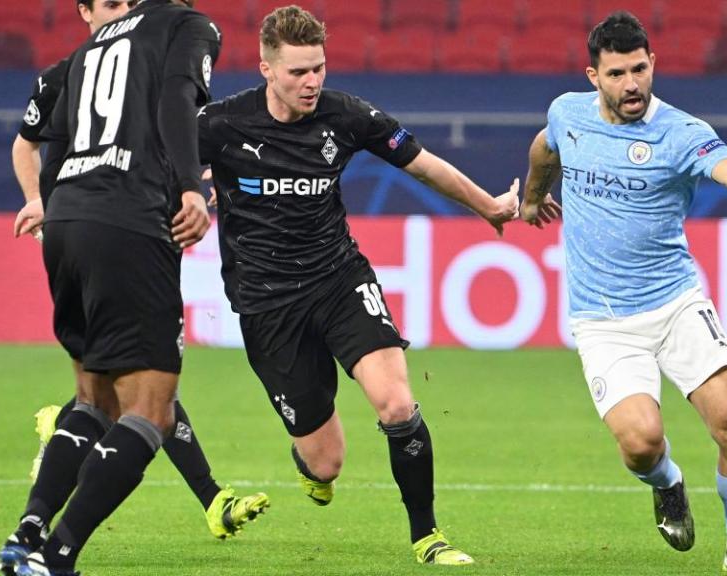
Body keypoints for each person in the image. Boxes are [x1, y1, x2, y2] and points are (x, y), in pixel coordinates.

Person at [197, 5, 519, 566]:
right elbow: (156, 167)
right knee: (326, 463)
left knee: (396, 403)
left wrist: (487, 205)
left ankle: (428, 536)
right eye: (298, 71)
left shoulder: (345, 115)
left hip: (338, 278)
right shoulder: (219, 124)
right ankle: (312, 466)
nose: (312, 81)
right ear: (266, 69)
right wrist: (186, 196)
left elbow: (422, 165)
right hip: (267, 303)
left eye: (318, 67)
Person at [519, 12, 727, 572]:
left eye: (640, 69)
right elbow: (545, 148)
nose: (632, 84)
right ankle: (668, 483)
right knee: (641, 443)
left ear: (653, 63)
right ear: (594, 76)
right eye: (617, 74)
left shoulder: (681, 132)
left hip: (675, 302)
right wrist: (530, 198)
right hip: (603, 320)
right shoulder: (567, 113)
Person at [7, 0, 268, 548]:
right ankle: (58, 554)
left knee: (93, 400)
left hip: (69, 223)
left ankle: (27, 534)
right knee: (150, 405)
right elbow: (177, 103)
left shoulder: (84, 53)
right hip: (128, 223)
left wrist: (44, 201)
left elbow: (75, 138)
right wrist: (190, 186)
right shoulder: (185, 26)